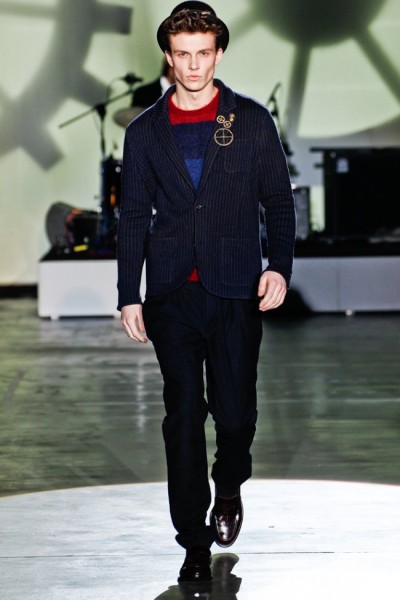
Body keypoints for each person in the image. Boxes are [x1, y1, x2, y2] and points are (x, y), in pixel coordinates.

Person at [117, 1, 296, 584]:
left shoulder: (251, 121)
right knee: (184, 414)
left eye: (203, 53)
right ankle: (193, 540)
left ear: (218, 54)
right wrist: (129, 293)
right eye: (182, 54)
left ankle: (231, 484)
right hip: (172, 292)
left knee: (236, 414)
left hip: (236, 286)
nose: (193, 65)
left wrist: (279, 267)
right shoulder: (144, 132)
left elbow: (278, 200)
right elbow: (133, 217)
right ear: (168, 58)